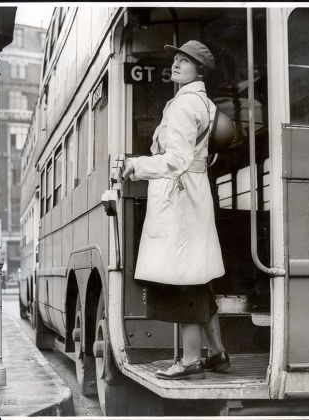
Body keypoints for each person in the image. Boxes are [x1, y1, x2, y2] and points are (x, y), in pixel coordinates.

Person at [122, 40, 230, 380]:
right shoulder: (203, 103)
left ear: (200, 71)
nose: (178, 63)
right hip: (193, 194)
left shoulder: (184, 105)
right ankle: (216, 352)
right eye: (177, 58)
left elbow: (178, 159)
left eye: (187, 60)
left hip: (180, 197)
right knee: (197, 276)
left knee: (184, 281)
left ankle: (190, 360)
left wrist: (137, 166)